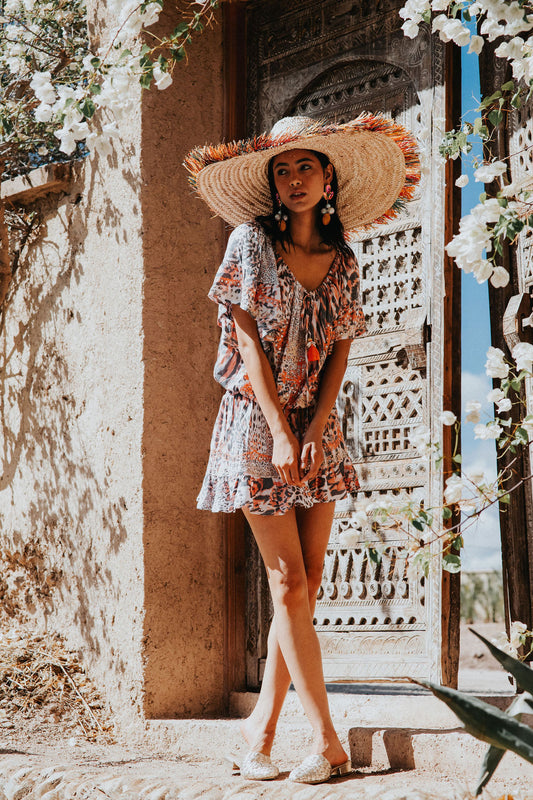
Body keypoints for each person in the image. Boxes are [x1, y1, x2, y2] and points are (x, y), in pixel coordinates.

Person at [184, 115, 420, 784]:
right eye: (282, 170)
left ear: (328, 181)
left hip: (317, 426)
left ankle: (257, 736)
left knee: (306, 586)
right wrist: (283, 430)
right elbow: (248, 344)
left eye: (304, 168)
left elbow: (343, 343)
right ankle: (327, 742)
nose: (292, 179)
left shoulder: (343, 260)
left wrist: (315, 426)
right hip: (255, 423)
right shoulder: (248, 244)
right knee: (288, 581)